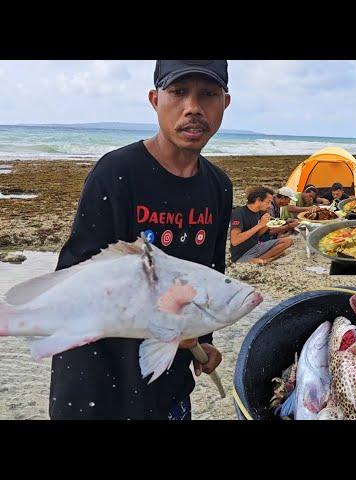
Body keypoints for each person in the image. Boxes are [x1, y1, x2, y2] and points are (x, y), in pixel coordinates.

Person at [50, 60, 233, 420]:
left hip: (169, 393)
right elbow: (74, 284)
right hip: (97, 391)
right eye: (179, 92)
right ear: (155, 99)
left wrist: (202, 340)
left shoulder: (218, 187)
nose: (193, 107)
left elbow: (207, 276)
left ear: (225, 103)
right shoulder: (116, 174)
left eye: (207, 94)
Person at [229, 187, 293, 265]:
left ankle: (262, 259)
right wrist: (260, 225)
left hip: (256, 247)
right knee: (278, 252)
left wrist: (266, 225)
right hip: (242, 254)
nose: (270, 206)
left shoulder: (259, 212)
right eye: (268, 202)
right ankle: (262, 260)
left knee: (288, 241)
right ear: (258, 200)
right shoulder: (238, 213)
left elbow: (257, 235)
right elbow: (235, 241)